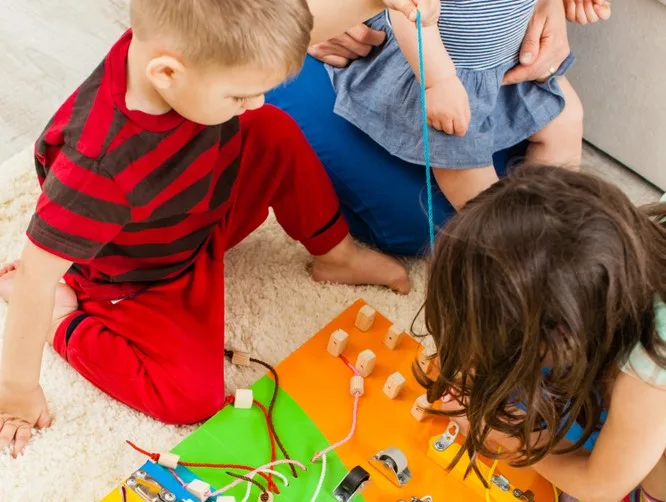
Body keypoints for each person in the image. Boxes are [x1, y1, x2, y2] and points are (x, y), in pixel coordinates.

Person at [0, 0, 441, 457]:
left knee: (271, 126)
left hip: (203, 201)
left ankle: (337, 253)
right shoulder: (97, 168)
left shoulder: (190, 57)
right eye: (238, 95)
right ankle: (64, 320)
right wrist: (16, 393)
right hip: (144, 275)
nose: (256, 100)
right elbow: (36, 273)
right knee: (189, 396)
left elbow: (299, 28)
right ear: (167, 74)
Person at [266, 0, 611, 256]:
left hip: (506, 63)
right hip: (443, 70)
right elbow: (410, 10)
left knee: (567, 116)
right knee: (465, 197)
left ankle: (556, 233)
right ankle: (515, 258)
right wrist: (439, 81)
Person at [418, 165, 666, 502]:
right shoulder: (604, 246)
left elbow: (601, 487)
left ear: (567, 338)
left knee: (653, 470)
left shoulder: (652, 367)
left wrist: (507, 439)